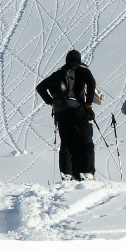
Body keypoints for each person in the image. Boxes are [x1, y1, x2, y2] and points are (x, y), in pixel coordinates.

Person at [36, 49, 96, 181]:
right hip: (77, 110)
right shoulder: (81, 70)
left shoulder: (58, 73)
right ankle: (87, 173)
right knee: (85, 141)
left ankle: (67, 174)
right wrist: (89, 103)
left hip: (60, 112)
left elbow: (40, 87)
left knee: (67, 143)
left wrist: (51, 102)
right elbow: (91, 82)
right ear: (78, 60)